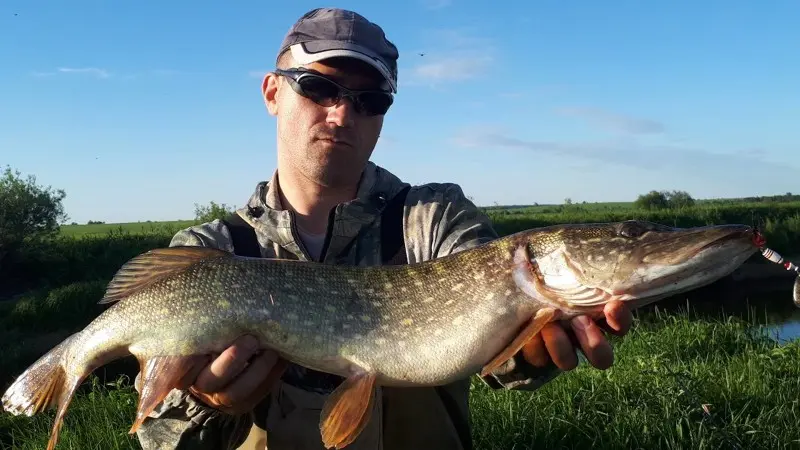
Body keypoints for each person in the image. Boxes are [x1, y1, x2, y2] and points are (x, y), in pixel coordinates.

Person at [134, 7, 633, 450]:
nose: (342, 113)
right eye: (318, 86)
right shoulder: (210, 252)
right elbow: (154, 436)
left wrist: (535, 345)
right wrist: (204, 401)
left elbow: (500, 358)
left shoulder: (433, 218)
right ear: (272, 92)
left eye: (370, 100)